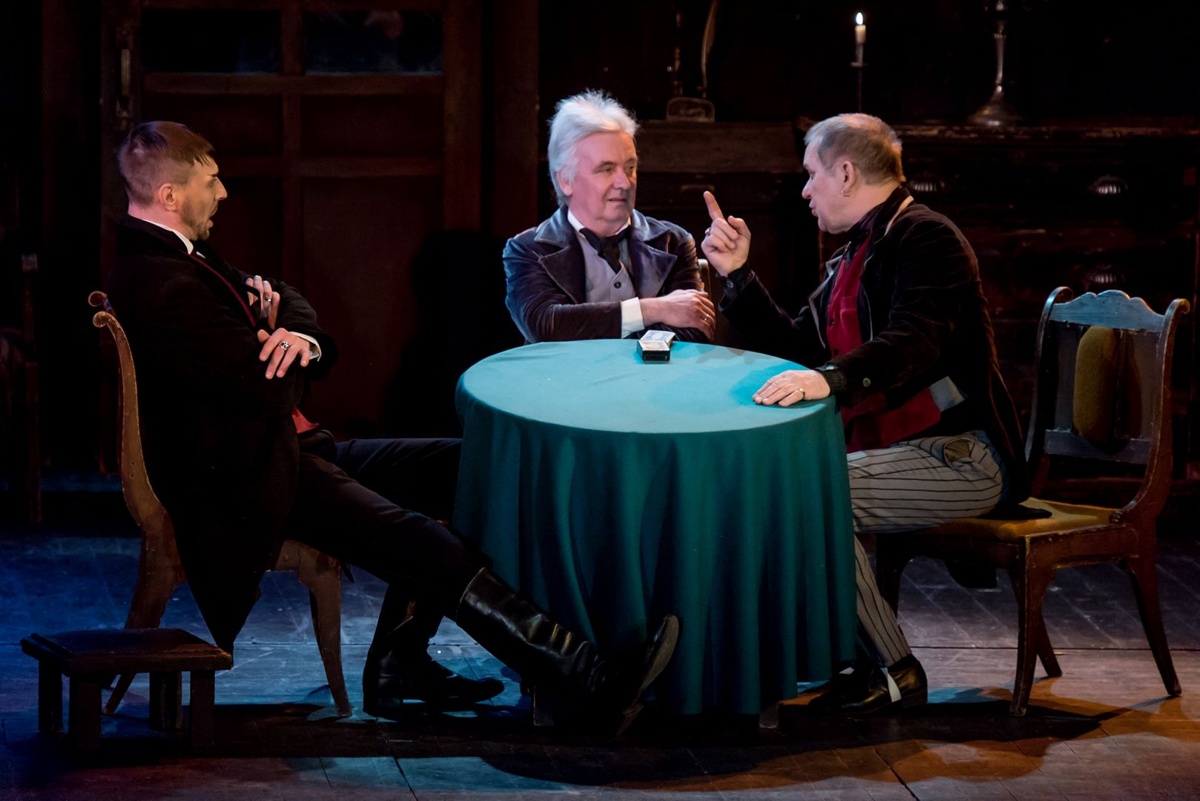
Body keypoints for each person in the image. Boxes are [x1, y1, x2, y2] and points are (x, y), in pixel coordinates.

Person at [104, 120, 678, 734]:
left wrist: (292, 336)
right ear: (170, 195)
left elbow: (288, 301)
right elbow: (269, 390)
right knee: (419, 540)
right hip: (249, 479)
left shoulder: (184, 259)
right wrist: (278, 340)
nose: (223, 193)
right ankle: (590, 680)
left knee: (465, 466)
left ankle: (399, 666)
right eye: (211, 182)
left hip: (288, 452)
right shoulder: (162, 282)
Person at [700, 113, 1030, 714]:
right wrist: (738, 276)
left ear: (846, 173)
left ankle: (894, 670)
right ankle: (830, 657)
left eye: (812, 175)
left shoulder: (926, 238)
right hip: (902, 454)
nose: (805, 191)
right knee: (786, 488)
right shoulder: (854, 256)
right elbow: (802, 350)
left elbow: (914, 341)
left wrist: (830, 380)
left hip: (962, 454)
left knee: (811, 492)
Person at [503, 90, 716, 343]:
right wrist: (652, 310)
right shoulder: (528, 250)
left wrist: (592, 331)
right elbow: (546, 326)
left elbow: (694, 330)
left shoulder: (673, 241)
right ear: (565, 180)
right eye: (606, 169)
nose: (624, 183)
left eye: (630, 167)